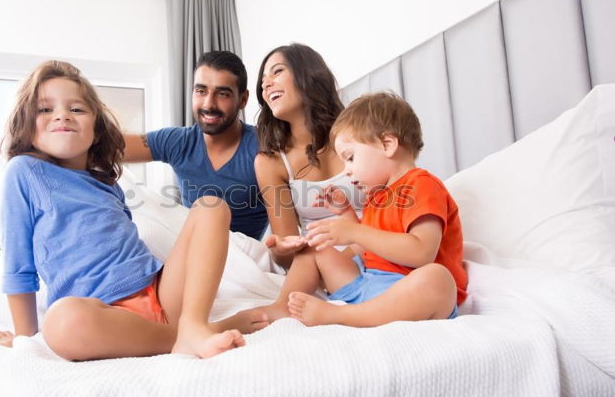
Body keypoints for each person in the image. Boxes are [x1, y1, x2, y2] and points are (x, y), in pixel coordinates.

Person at [0, 60, 267, 361]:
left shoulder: (105, 180)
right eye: (45, 109)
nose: (62, 115)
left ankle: (193, 326)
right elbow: (18, 267)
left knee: (212, 206)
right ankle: (194, 334)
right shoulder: (24, 172)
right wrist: (24, 339)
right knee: (61, 322)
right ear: (26, 122)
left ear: (96, 127)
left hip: (160, 293)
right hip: (103, 313)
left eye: (76, 109)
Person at [260, 91, 467, 327]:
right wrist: (345, 217)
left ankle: (339, 316)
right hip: (370, 284)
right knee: (314, 249)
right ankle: (283, 307)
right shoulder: (376, 196)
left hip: (408, 293)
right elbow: (367, 247)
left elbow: (422, 253)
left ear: (387, 145)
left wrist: (353, 232)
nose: (346, 170)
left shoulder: (421, 184)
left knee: (437, 278)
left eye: (350, 158)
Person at [123, 51, 268, 240]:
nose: (208, 104)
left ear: (243, 99)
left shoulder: (264, 145)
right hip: (190, 249)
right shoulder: (178, 141)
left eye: (222, 94)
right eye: (201, 91)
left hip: (242, 258)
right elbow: (110, 148)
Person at [255, 43, 365, 272]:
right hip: (324, 269)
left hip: (379, 251)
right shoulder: (270, 163)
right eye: (263, 79)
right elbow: (288, 259)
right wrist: (281, 250)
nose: (265, 84)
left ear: (308, 75)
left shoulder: (359, 132)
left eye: (277, 71)